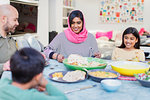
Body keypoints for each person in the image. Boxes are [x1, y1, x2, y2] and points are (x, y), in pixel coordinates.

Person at [0, 47, 68, 100]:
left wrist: (33, 85)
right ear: (38, 77)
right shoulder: (32, 96)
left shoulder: (3, 82)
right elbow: (63, 98)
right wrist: (46, 84)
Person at [0, 4, 19, 75]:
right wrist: (3, 67)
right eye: (15, 20)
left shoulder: (11, 39)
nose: (17, 23)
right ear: (3, 19)